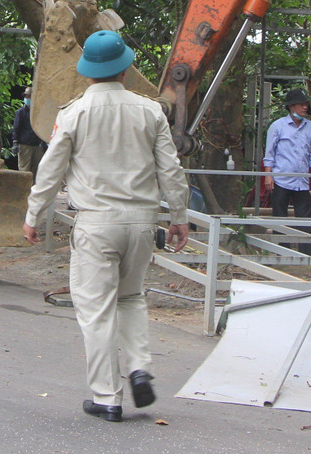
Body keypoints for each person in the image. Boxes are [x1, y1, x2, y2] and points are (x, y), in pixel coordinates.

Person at [23, 31, 189, 422]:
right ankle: (139, 367)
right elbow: (171, 169)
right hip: (143, 224)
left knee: (97, 311)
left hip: (97, 225)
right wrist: (179, 216)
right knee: (131, 298)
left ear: (86, 72)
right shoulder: (150, 112)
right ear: (126, 68)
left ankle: (107, 397)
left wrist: (34, 214)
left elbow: (50, 171)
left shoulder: (73, 113)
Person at [262, 87, 311, 219]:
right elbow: (269, 153)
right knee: (279, 216)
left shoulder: (310, 126)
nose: (304, 107)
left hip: (302, 180)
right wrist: (268, 175)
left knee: (304, 217)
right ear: (291, 106)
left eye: (306, 104)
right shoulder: (278, 126)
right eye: (301, 104)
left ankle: (304, 239)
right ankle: (282, 240)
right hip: (281, 179)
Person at [11, 86, 47, 174]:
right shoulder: (21, 112)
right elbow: (16, 128)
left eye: (29, 96)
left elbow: (42, 128)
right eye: (26, 96)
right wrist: (15, 143)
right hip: (24, 146)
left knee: (37, 172)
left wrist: (43, 142)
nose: (27, 98)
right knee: (24, 172)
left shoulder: (39, 113)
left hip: (37, 146)